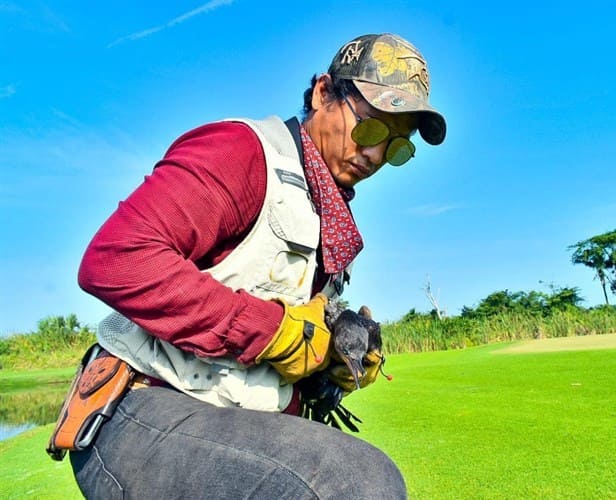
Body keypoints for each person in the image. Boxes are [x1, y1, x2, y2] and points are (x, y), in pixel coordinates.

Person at [69, 33, 446, 499]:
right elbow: (116, 259)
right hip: (143, 406)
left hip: (226, 418)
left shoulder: (325, 210)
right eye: (370, 129)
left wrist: (328, 364)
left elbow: (274, 347)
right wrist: (272, 330)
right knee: (359, 482)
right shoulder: (242, 152)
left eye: (396, 147)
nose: (375, 155)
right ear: (323, 93)